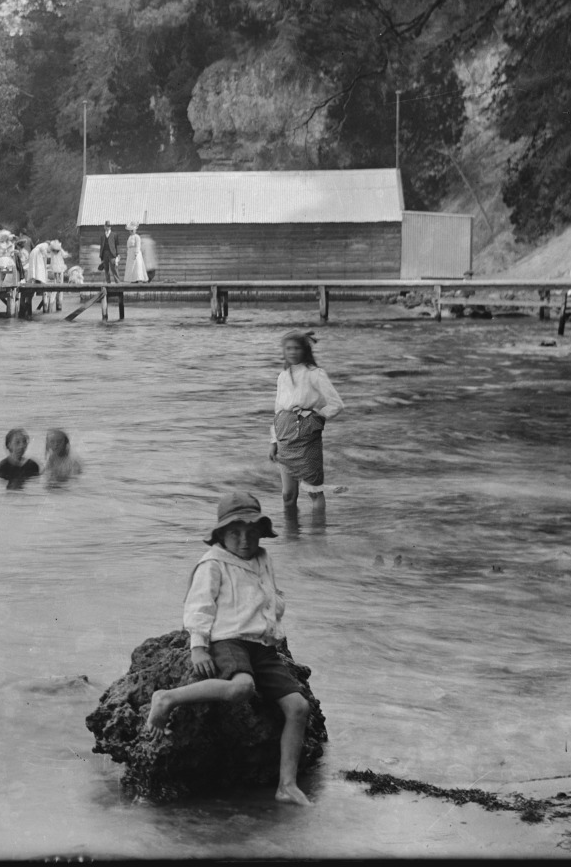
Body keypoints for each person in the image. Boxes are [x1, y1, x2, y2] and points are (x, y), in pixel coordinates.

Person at [143, 491, 314, 807]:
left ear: (261, 533)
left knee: (298, 707)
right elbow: (199, 605)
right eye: (235, 532)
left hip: (261, 646)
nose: (244, 540)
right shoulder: (213, 563)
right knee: (242, 687)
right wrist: (198, 647)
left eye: (251, 532)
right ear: (221, 534)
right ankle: (167, 698)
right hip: (229, 640)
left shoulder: (263, 559)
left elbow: (269, 595)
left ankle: (286, 785)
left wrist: (275, 623)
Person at [269, 332, 344, 512]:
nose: (292, 352)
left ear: (305, 350)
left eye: (297, 348)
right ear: (284, 351)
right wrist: (273, 441)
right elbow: (278, 410)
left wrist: (315, 418)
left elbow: (336, 404)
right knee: (288, 494)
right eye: (288, 348)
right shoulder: (283, 376)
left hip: (307, 437)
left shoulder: (315, 374)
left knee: (314, 492)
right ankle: (292, 536)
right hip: (285, 436)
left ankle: (318, 536)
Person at [45, 240, 67, 311]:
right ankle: (57, 304)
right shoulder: (58, 251)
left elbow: (48, 251)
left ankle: (52, 305)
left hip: (56, 265)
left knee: (56, 274)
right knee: (58, 275)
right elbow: (65, 255)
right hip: (58, 265)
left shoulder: (52, 251)